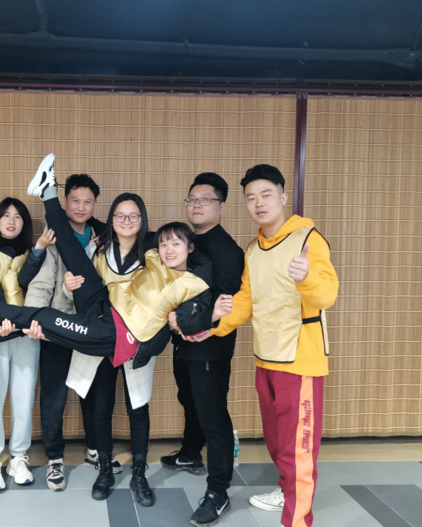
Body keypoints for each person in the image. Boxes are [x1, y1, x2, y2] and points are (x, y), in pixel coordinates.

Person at [0, 154, 223, 507]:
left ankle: (138, 475)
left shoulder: (156, 251)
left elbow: (186, 308)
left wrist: (206, 316)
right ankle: (47, 191)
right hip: (101, 311)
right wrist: (69, 286)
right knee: (66, 261)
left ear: (143, 221)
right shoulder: (109, 247)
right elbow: (59, 272)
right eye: (120, 215)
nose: (126, 221)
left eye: (133, 216)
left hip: (130, 338)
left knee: (135, 406)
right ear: (112, 219)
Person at [184, 164, 339, 527]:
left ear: (283, 197)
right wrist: (213, 328)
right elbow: (245, 301)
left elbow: (327, 294)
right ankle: (286, 490)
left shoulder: (307, 239)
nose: (259, 203)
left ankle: (296, 519)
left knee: (298, 448)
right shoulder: (254, 249)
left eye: (266, 195)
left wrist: (307, 278)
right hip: (266, 357)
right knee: (277, 439)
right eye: (251, 197)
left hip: (300, 359)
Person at [163, 173, 244, 527]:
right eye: (192, 199)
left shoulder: (227, 250)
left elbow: (226, 303)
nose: (197, 204)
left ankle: (218, 492)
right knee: (189, 400)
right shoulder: (186, 240)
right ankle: (190, 453)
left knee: (213, 416)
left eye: (205, 199)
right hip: (183, 340)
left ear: (221, 207)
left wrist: (201, 327)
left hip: (210, 347)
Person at [20, 173, 109, 491]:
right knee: (54, 396)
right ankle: (55, 459)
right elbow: (40, 284)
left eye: (88, 201)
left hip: (93, 328)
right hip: (59, 327)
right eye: (75, 200)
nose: (81, 207)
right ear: (64, 201)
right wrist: (33, 319)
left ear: (95, 204)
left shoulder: (104, 237)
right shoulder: (54, 235)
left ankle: (94, 449)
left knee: (92, 393)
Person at [0, 197, 53, 492]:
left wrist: (38, 250)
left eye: (17, 216)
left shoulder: (35, 252)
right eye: (5, 215)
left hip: (28, 337)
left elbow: (36, 288)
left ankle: (18, 457)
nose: (11, 221)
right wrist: (1, 321)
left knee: (23, 401)